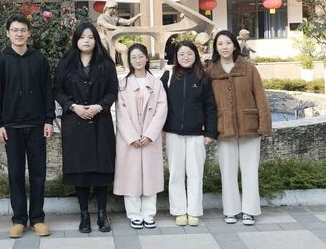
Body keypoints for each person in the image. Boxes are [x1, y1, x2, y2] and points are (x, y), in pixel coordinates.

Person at [0, 13, 54, 238]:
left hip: (36, 125)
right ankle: (18, 219)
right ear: (8, 33)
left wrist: (49, 119)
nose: (19, 34)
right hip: (11, 127)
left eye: (22, 30)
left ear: (29, 33)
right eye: (15, 30)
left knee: (38, 173)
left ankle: (37, 219)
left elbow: (48, 91)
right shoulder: (1, 61)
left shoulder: (39, 59)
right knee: (15, 173)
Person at [54, 21, 119, 233]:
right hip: (75, 123)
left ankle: (102, 214)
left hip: (100, 122)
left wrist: (100, 106)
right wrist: (73, 106)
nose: (86, 41)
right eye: (82, 37)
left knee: (101, 171)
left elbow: (113, 90)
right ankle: (84, 215)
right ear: (76, 40)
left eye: (90, 37)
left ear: (96, 40)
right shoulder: (66, 63)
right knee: (79, 171)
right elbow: (58, 90)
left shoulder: (106, 64)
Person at [207, 30, 271, 226]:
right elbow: (207, 103)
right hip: (224, 126)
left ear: (234, 45)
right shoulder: (211, 71)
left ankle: (249, 210)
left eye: (228, 43)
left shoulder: (248, 68)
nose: (224, 47)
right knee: (227, 171)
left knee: (250, 170)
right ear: (216, 48)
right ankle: (231, 210)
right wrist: (208, 128)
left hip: (249, 126)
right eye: (220, 44)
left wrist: (264, 124)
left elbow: (260, 96)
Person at [162, 41, 217, 227]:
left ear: (195, 55)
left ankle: (194, 211)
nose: (185, 57)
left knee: (195, 174)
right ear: (176, 57)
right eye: (181, 54)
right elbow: (161, 106)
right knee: (176, 174)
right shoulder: (169, 76)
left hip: (197, 134)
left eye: (189, 53)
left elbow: (211, 106)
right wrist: (162, 130)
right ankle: (179, 210)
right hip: (173, 133)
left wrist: (210, 132)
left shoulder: (204, 77)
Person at [113, 43, 167, 229]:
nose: (137, 60)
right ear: (129, 60)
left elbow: (162, 110)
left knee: (150, 175)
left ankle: (149, 214)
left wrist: (151, 134)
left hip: (150, 139)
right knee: (131, 175)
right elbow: (121, 112)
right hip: (129, 140)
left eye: (141, 56)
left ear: (147, 58)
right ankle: (134, 214)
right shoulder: (123, 85)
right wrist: (132, 136)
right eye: (133, 57)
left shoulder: (157, 84)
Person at [96, 0, 142, 70]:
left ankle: (126, 68)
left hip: (113, 39)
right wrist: (117, 28)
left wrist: (138, 16)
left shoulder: (115, 18)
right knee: (105, 50)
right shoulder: (101, 17)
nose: (114, 10)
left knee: (124, 49)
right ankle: (104, 69)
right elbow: (105, 24)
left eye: (115, 8)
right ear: (108, 8)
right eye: (113, 8)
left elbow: (128, 22)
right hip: (103, 39)